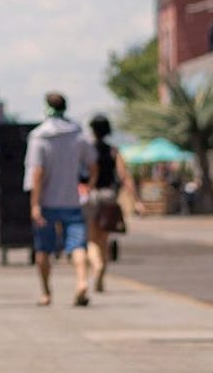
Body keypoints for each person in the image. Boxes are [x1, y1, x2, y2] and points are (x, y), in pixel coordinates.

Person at [26, 91, 96, 307]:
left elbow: (36, 172)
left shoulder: (39, 137)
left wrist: (35, 204)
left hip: (47, 201)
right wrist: (87, 187)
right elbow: (94, 165)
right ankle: (82, 282)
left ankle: (47, 292)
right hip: (72, 201)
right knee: (77, 245)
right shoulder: (78, 134)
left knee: (43, 249)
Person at [83, 114, 138, 294]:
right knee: (104, 239)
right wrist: (136, 200)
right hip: (108, 195)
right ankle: (102, 273)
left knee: (91, 238)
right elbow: (124, 176)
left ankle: (96, 266)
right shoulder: (114, 151)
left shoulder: (87, 150)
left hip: (91, 196)